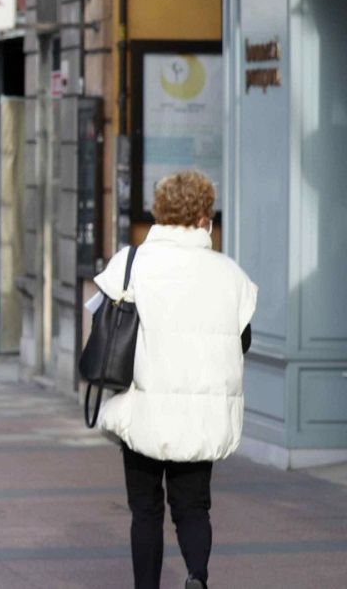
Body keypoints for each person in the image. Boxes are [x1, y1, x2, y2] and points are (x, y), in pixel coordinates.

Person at [93, 171, 256, 589]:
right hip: (199, 412)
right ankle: (197, 576)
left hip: (142, 406)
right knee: (193, 506)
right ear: (205, 216)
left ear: (159, 211)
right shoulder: (230, 274)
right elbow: (244, 341)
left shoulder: (131, 263)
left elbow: (102, 327)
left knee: (145, 510)